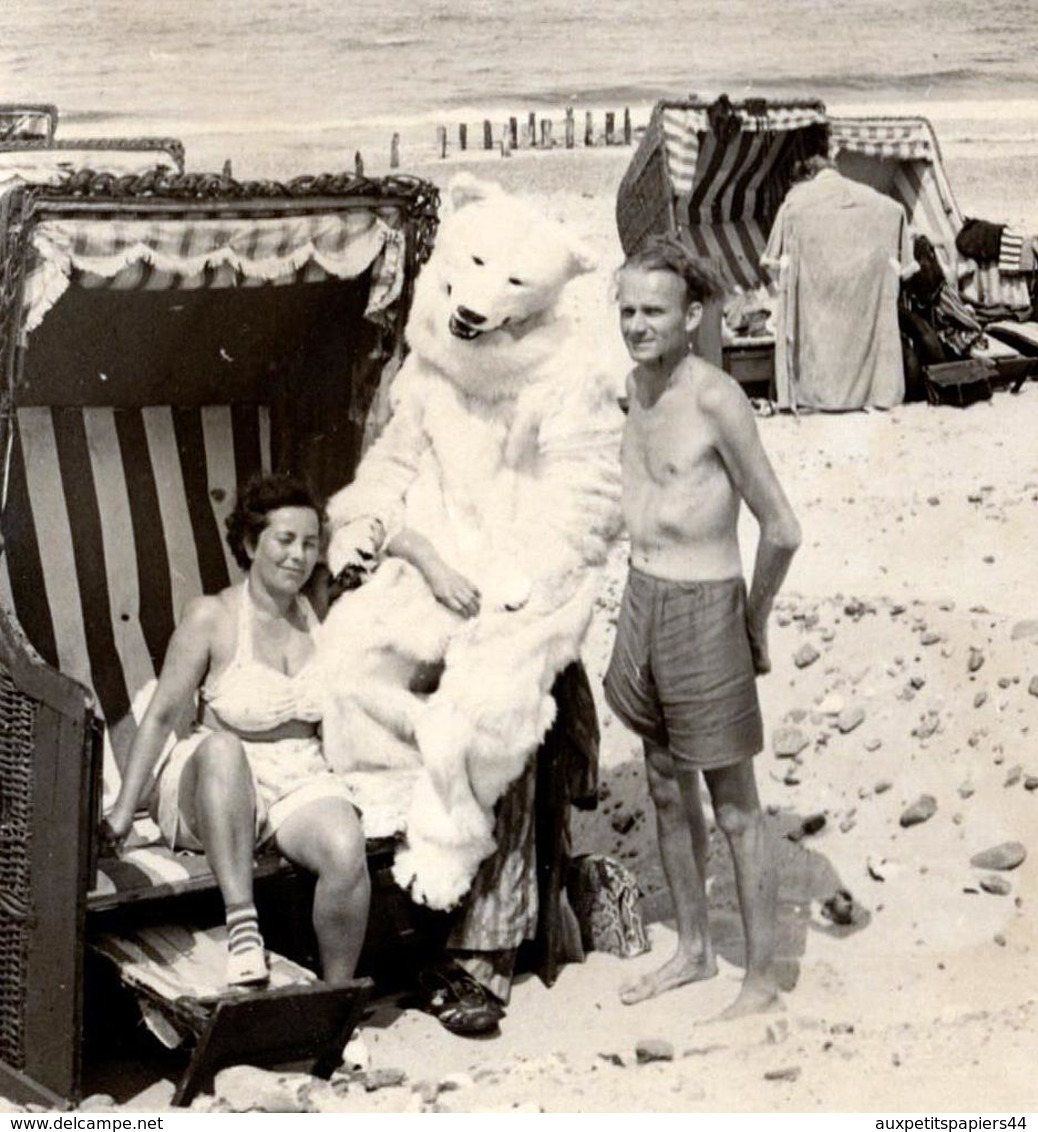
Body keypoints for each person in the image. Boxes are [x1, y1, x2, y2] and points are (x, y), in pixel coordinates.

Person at [604, 235, 801, 1018]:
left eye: (653, 310)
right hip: (641, 599)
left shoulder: (715, 396)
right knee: (661, 784)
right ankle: (691, 950)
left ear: (693, 314)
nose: (637, 325)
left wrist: (752, 624)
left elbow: (781, 528)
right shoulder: (634, 386)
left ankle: (761, 982)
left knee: (736, 806)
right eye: (626, 310)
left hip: (704, 606)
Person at [101, 473, 370, 989]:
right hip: (211, 783)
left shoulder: (319, 610)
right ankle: (243, 926)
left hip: (296, 773)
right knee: (223, 748)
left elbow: (375, 534)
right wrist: (120, 812)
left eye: (310, 543)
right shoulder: (213, 617)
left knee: (345, 849)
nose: (298, 555)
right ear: (251, 543)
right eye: (284, 540)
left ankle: (336, 1007)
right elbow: (158, 718)